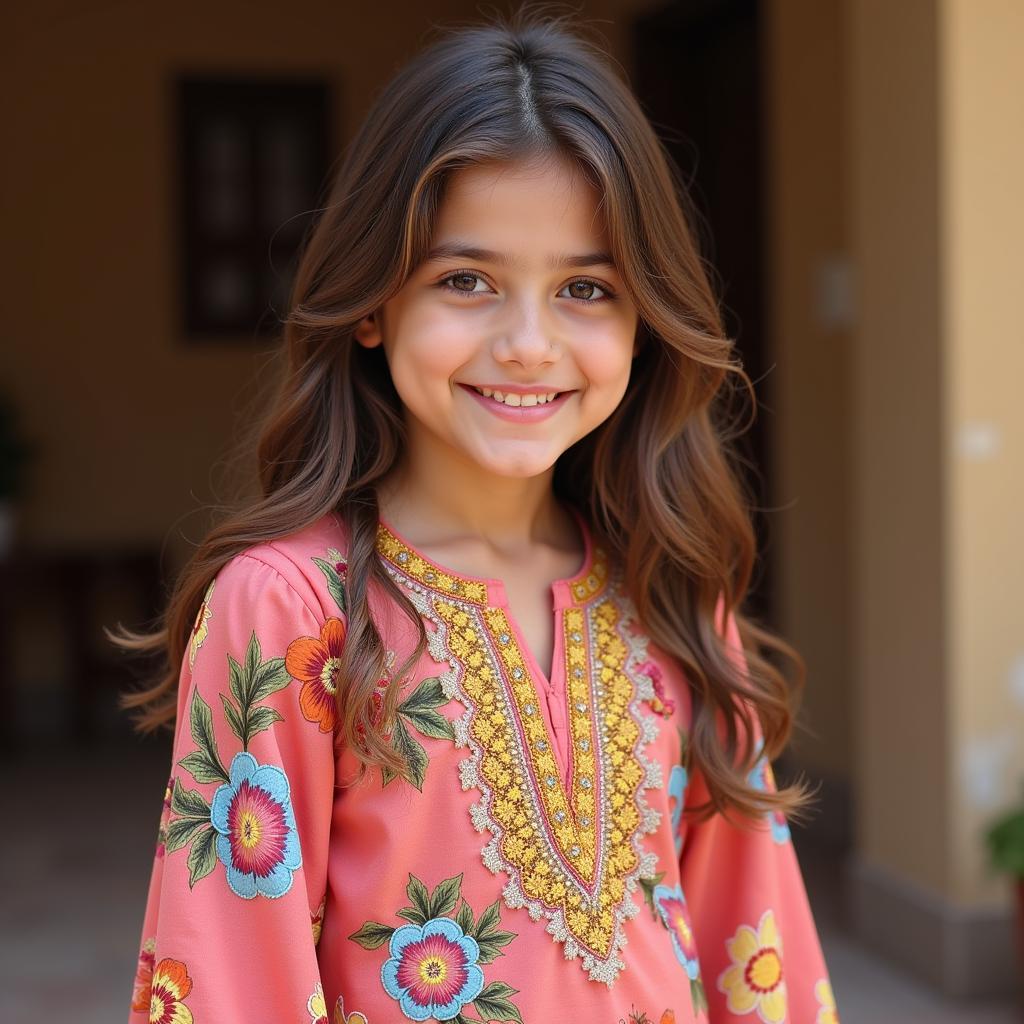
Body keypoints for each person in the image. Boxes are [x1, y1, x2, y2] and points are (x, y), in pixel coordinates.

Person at [117, 10, 841, 1023]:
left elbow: (757, 954)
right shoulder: (286, 610)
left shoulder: (673, 593)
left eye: (586, 288)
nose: (529, 343)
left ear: (643, 322)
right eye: (467, 280)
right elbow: (232, 981)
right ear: (372, 302)